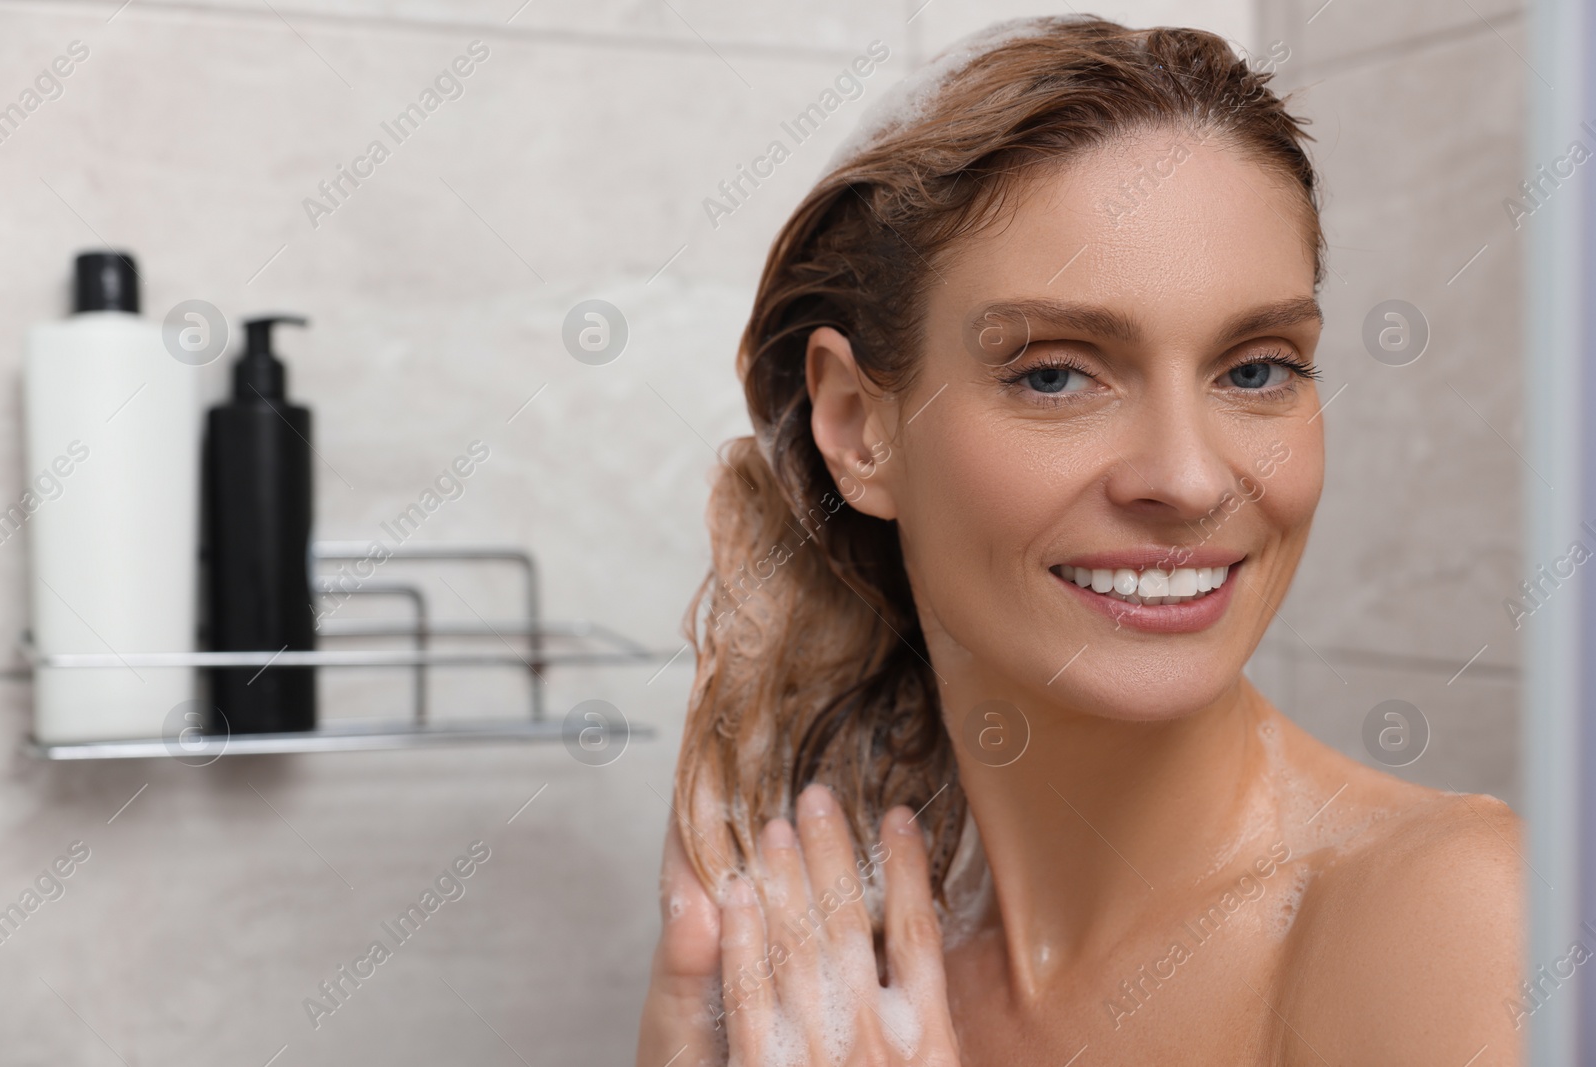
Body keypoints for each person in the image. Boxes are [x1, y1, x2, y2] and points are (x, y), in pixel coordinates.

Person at [636, 17, 1522, 1066]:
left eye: (1255, 368)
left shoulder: (1456, 917)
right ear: (858, 426)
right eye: (1055, 373)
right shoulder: (824, 982)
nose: (1189, 479)